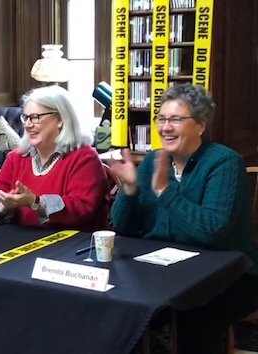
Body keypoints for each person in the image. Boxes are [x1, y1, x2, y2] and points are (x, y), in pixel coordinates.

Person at [110, 84, 258, 353]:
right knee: (118, 308)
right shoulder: (154, 160)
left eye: (176, 119)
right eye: (162, 119)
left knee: (194, 320)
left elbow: (212, 230)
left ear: (200, 126)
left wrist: (165, 192)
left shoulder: (225, 163)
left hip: (231, 274)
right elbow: (124, 227)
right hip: (162, 270)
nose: (165, 127)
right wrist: (129, 191)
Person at [0, 85, 109, 230]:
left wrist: (35, 202)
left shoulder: (85, 158)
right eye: (26, 118)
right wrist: (3, 205)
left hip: (74, 246)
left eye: (35, 117)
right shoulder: (16, 158)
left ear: (60, 119)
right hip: (22, 243)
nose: (28, 125)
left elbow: (80, 209)